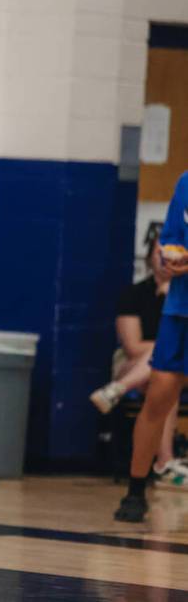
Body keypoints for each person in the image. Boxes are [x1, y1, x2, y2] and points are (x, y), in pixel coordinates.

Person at [90, 224, 187, 487]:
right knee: (164, 375)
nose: (167, 260)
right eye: (160, 253)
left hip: (175, 364)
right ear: (150, 257)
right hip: (133, 365)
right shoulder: (134, 295)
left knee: (166, 371)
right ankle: (164, 464)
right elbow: (132, 346)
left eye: (173, 254)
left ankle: (116, 390)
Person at [116, 173, 188, 522]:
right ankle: (135, 490)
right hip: (180, 311)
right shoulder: (186, 182)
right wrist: (172, 257)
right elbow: (171, 239)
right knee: (158, 398)